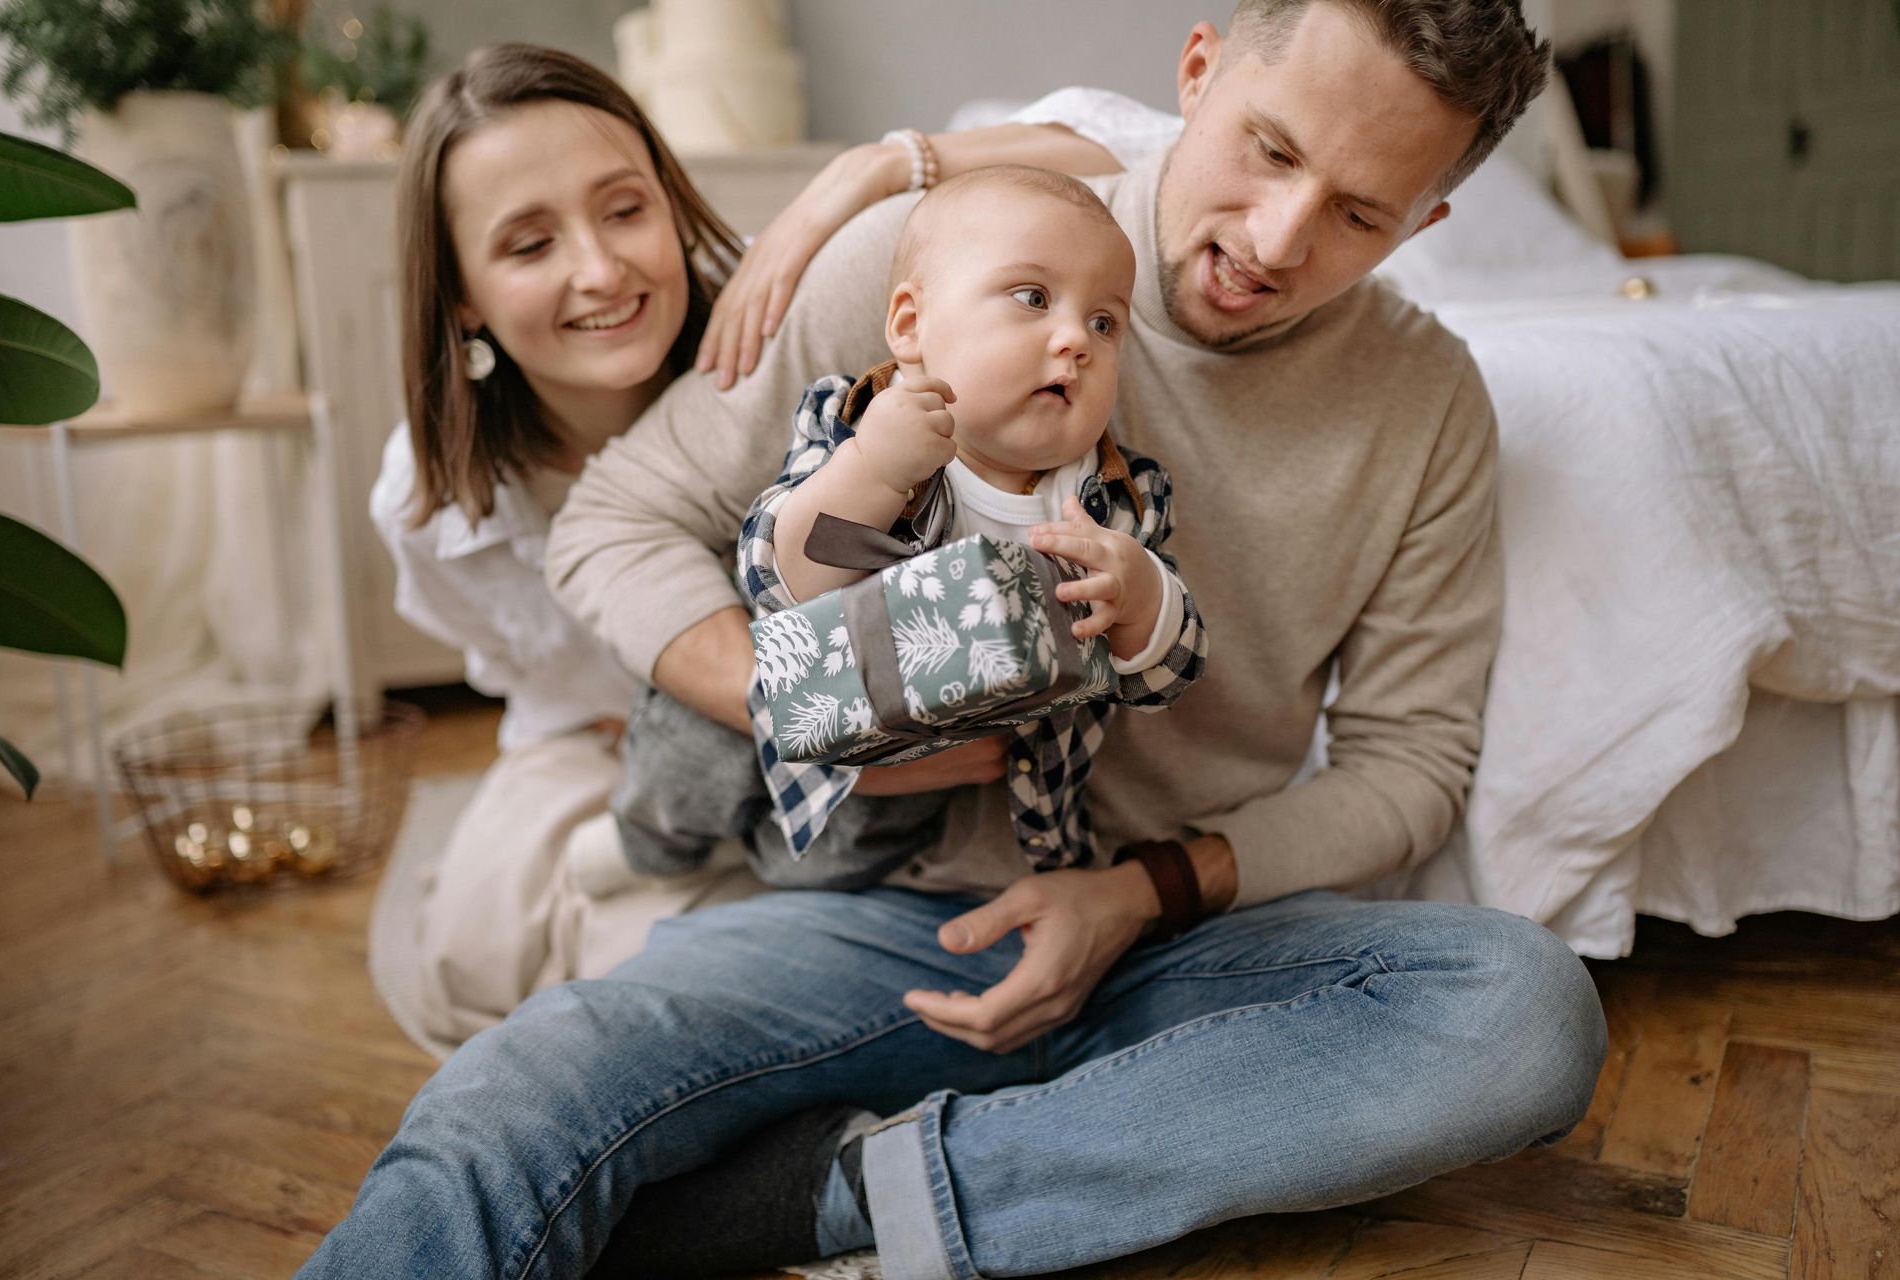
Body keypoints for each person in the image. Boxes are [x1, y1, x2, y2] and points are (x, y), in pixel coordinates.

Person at [306, 4, 1608, 1277]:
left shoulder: (1429, 403)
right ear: (1197, 71)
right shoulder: (935, 256)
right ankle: (1060, 1153)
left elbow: (1410, 766)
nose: (1274, 239)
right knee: (515, 1097)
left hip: (1175, 939)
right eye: (1269, 150)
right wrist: (828, 704)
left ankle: (866, 1189)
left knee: (1523, 1011)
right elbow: (617, 522)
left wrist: (1138, 894)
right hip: (884, 914)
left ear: (1425, 223)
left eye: (1361, 214)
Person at [365, 42, 1018, 1049]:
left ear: (671, 203)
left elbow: (1123, 151)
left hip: (834, 745)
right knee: (478, 944)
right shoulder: (431, 497)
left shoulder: (785, 324)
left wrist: (869, 170)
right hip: (603, 741)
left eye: (626, 210)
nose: (600, 270)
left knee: (693, 976)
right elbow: (519, 669)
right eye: (529, 245)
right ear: (461, 295)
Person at [598, 167, 1204, 894]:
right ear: (912, 327)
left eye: (1105, 323)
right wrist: (874, 472)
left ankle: (757, 862)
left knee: (841, 861)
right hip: (785, 699)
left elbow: (1166, 681)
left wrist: (1141, 599)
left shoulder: (1120, 504)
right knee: (687, 760)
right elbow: (777, 580)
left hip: (924, 772)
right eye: (1033, 298)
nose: (1076, 339)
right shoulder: (860, 421)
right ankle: (641, 847)